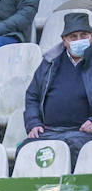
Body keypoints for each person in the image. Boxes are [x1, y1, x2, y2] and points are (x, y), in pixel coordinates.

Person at [24, 14, 92, 151]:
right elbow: (32, 96)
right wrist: (33, 123)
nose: (79, 40)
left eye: (83, 35)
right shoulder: (50, 62)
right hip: (49, 131)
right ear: (64, 41)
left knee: (73, 150)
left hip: (82, 133)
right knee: (26, 149)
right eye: (73, 37)